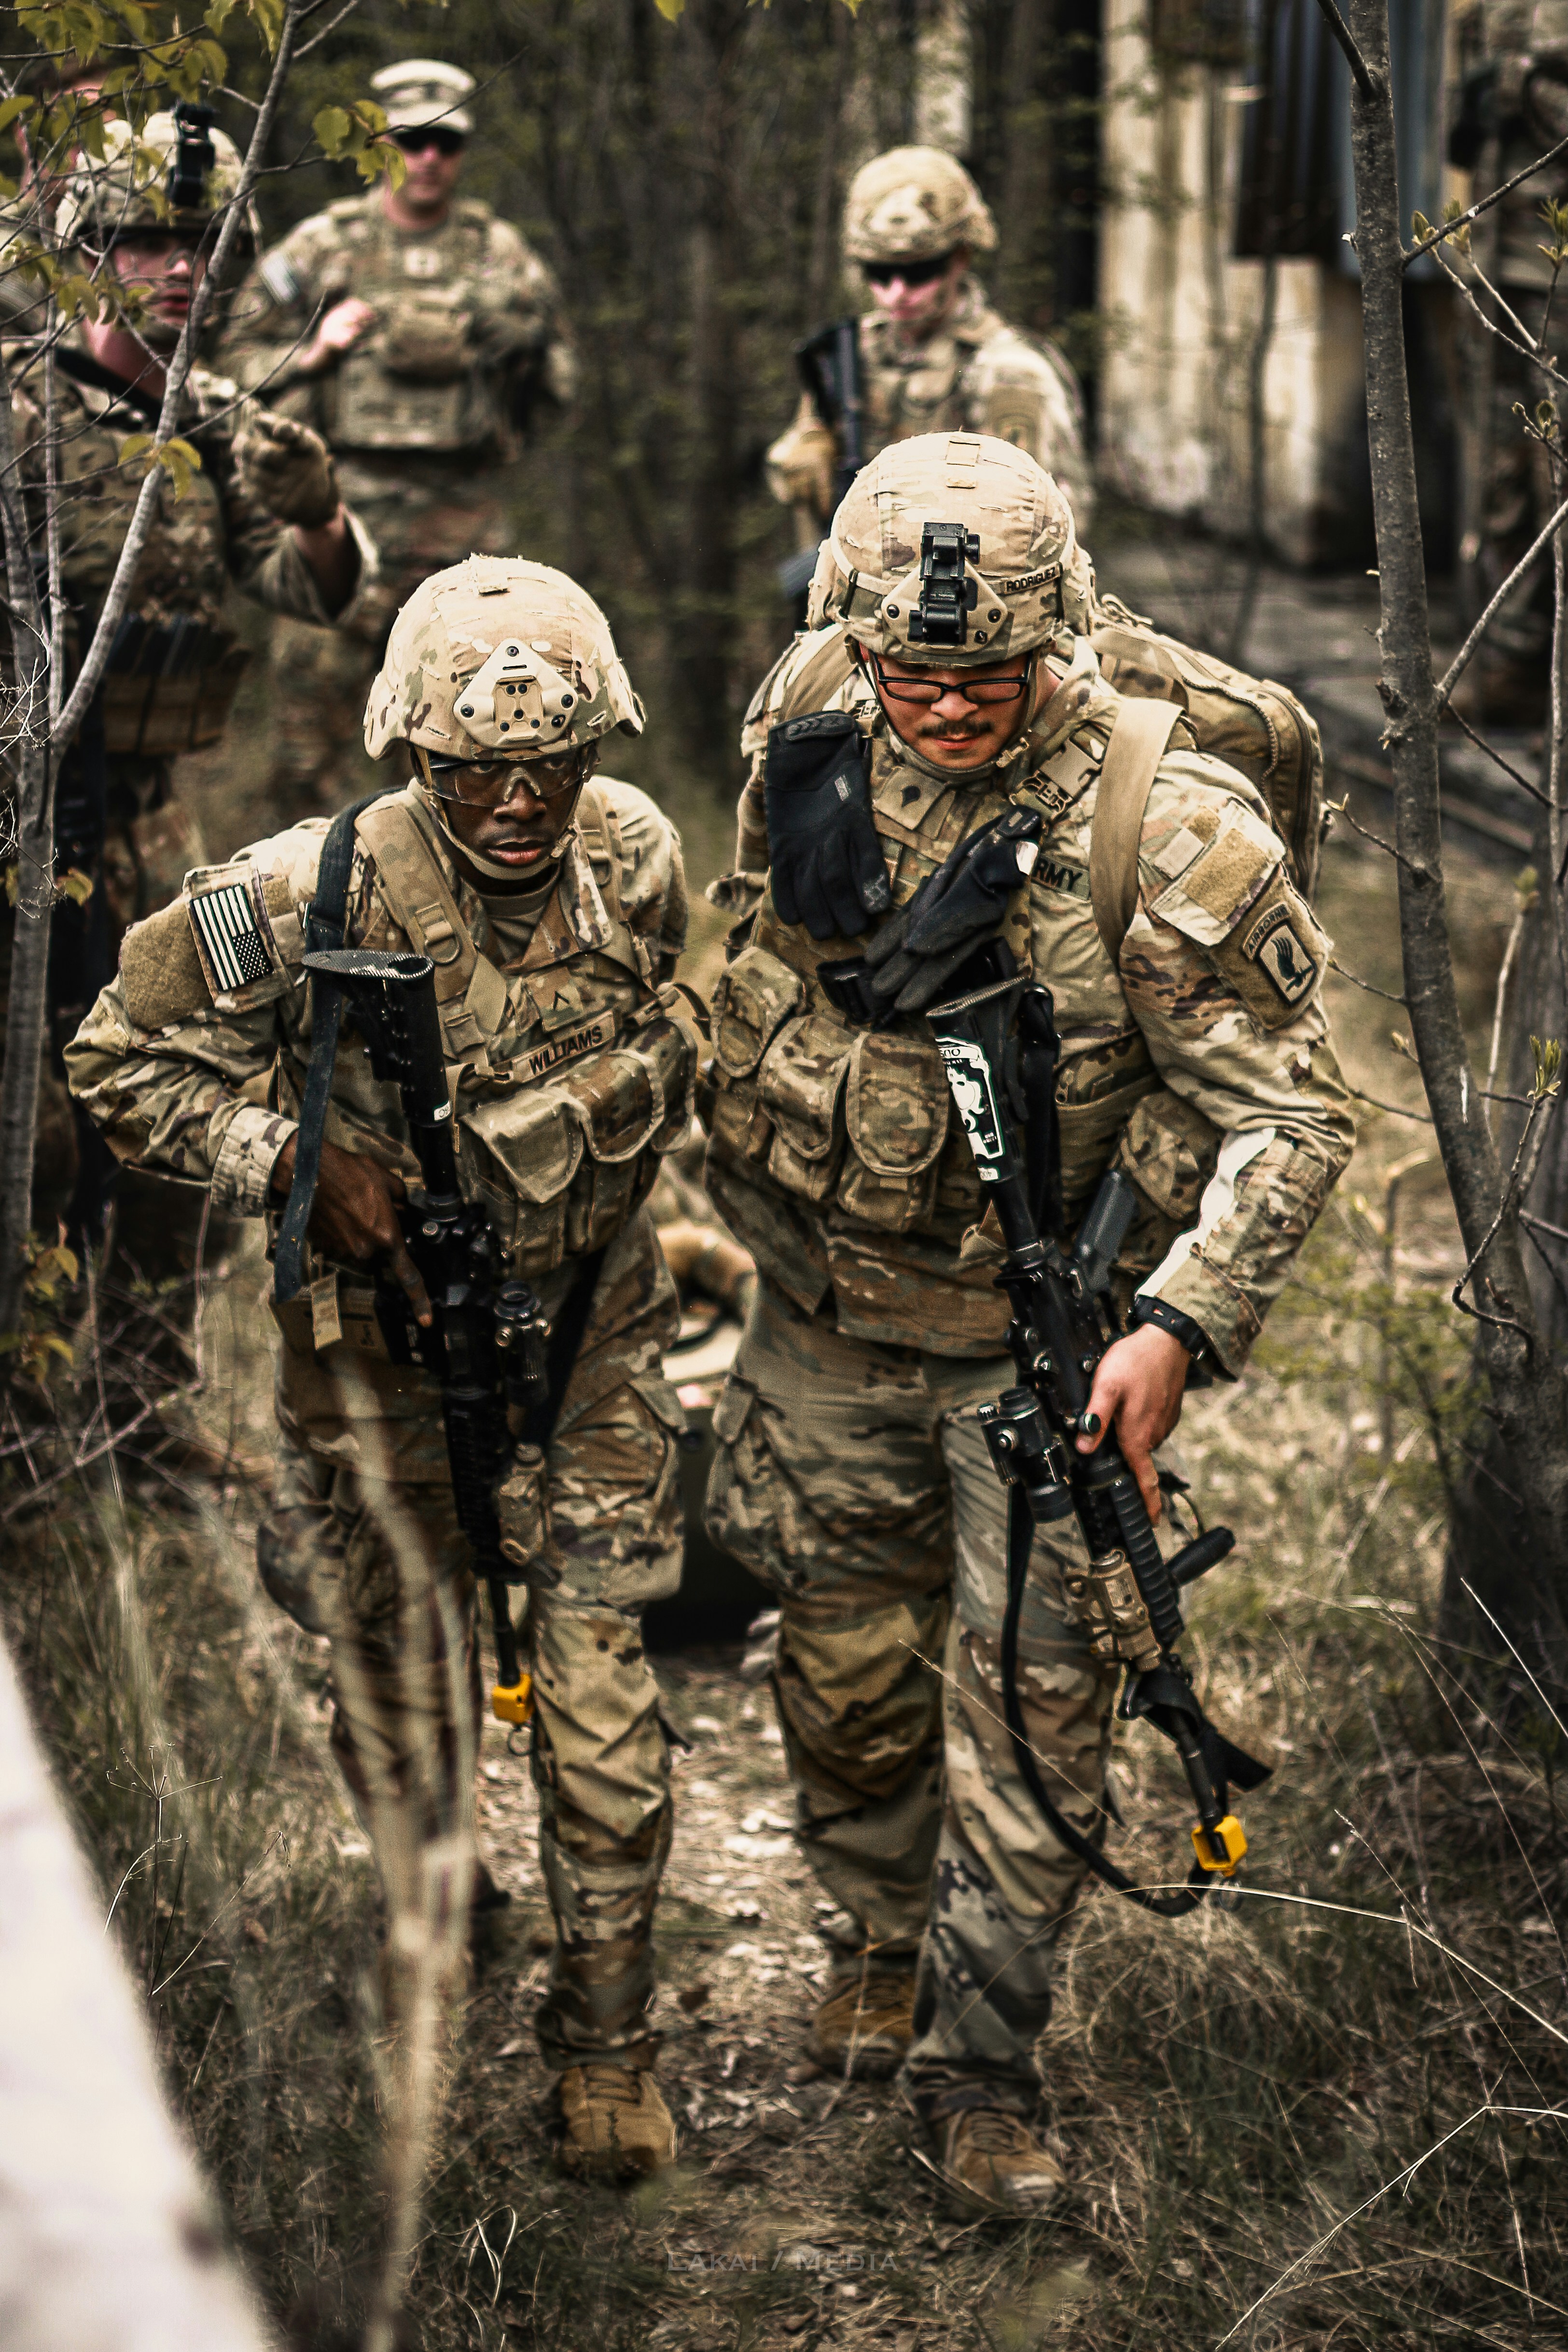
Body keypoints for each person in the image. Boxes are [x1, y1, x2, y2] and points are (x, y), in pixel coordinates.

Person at [701, 432, 1354, 2215]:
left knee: (1038, 1710)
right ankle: (874, 1934)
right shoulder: (808, 715)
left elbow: (1296, 1117)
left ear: (1056, 631)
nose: (942, 705)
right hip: (830, 1307)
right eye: (907, 670)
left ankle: (982, 2070)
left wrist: (1178, 1325)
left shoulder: (1166, 826)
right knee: (841, 1670)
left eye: (984, 672)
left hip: (1039, 1340)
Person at [65, 557, 700, 2182]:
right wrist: (292, 1158)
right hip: (380, 1365)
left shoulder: (635, 857)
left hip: (588, 1341)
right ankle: (437, 1894)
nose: (518, 803)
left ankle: (607, 2044)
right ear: (414, 750)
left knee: (603, 1711)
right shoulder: (300, 893)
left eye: (551, 765)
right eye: (476, 772)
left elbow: (661, 1040)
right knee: (399, 1703)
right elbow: (114, 1059)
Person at [2, 111, 373, 1260]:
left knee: (193, 1097)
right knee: (34, 1141)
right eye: (145, 241)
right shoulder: (21, 409)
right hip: (26, 825)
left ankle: (154, 1366)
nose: (177, 268)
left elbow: (312, 589)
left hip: (159, 825)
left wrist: (320, 513)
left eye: (203, 244)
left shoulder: (215, 419)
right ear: (88, 252)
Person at [219, 58, 576, 815]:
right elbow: (232, 366)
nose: (428, 158)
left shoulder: (501, 255)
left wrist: (515, 348)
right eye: (412, 140)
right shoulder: (324, 247)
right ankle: (311, 882)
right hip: (340, 527)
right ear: (381, 143)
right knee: (307, 750)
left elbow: (560, 383)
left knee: (476, 747)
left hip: (466, 534)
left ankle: (444, 887)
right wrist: (314, 352)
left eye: (446, 143)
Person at [766, 146, 1093, 572]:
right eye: (878, 274)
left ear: (961, 257)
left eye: (918, 273)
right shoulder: (850, 355)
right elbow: (795, 463)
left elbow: (1048, 528)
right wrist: (807, 452)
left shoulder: (1007, 370)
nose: (895, 294)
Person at [1449, 5, 1568, 715]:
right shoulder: (1489, 8)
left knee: (1560, 481)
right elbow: (1464, 140)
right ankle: (1514, 663)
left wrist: (1524, 85)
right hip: (1492, 273)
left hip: (1557, 279)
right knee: (1503, 476)